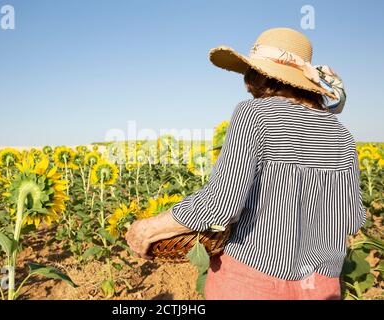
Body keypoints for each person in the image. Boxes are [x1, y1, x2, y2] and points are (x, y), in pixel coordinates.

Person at [126, 27, 366, 300]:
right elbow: (353, 217)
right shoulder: (341, 134)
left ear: (257, 75)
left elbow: (219, 205)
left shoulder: (254, 114)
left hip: (253, 280)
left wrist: (149, 228)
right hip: (322, 286)